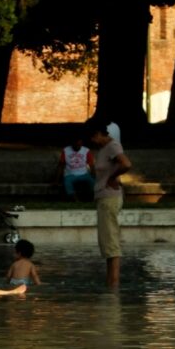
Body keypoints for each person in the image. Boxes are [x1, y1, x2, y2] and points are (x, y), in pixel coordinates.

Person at [87, 117, 132, 290]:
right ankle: (110, 283)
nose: (92, 142)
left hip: (109, 198)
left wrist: (112, 178)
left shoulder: (112, 146)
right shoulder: (105, 148)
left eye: (93, 138)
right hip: (104, 198)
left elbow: (126, 164)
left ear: (98, 134)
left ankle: (113, 286)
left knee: (111, 242)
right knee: (106, 242)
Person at [57, 136, 95, 200]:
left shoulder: (86, 150)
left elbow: (91, 165)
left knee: (92, 182)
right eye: (76, 145)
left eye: (79, 145)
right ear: (72, 144)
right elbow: (61, 166)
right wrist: (56, 180)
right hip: (70, 175)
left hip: (84, 174)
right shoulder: (66, 150)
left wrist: (93, 175)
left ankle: (90, 199)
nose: (78, 146)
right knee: (67, 182)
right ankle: (75, 200)